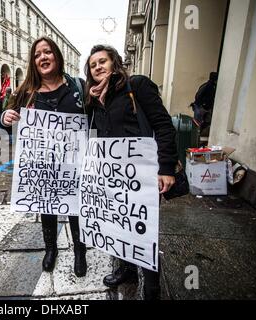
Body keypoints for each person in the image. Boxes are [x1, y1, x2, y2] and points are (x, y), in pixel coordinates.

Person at [84, 44, 178, 300]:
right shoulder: (92, 99)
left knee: (143, 229)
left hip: (142, 176)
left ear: (114, 63)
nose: (98, 67)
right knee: (117, 223)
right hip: (110, 176)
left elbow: (163, 125)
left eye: (103, 61)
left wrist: (166, 166)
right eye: (93, 65)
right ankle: (125, 270)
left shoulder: (136, 86)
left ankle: (152, 285)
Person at [1, 36, 88, 277]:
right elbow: (7, 117)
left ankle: (80, 252)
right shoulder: (24, 91)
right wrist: (5, 117)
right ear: (33, 61)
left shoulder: (78, 87)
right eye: (37, 54)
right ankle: (51, 249)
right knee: (47, 206)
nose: (43, 57)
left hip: (74, 162)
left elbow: (97, 116)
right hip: (43, 165)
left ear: (57, 57)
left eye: (47, 52)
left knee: (76, 208)